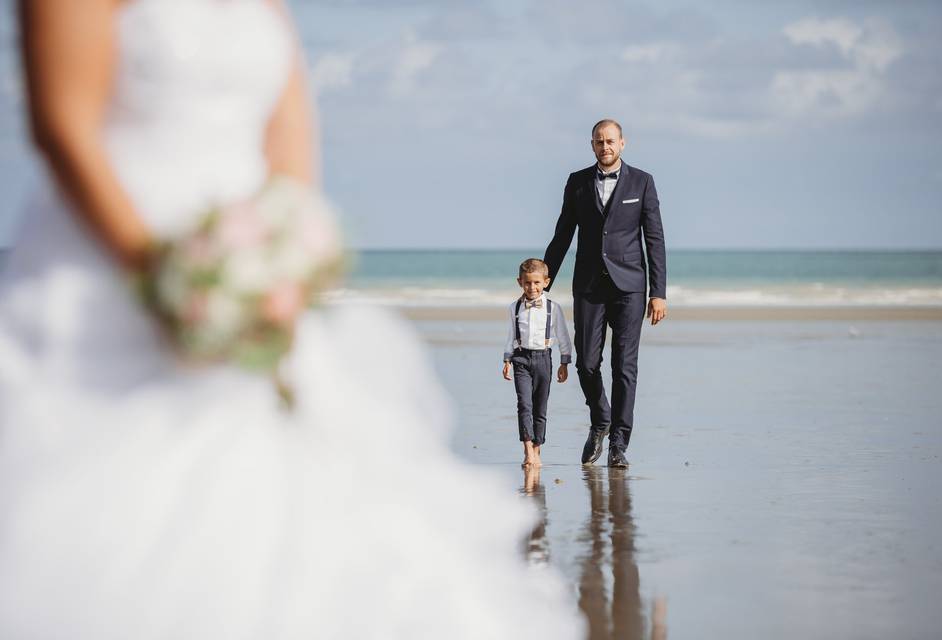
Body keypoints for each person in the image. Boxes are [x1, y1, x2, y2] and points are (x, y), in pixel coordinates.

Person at [0, 2, 582, 638]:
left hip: (255, 272)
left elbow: (289, 145)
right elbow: (63, 125)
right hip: (109, 274)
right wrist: (173, 280)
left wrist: (281, 260)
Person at [544, 119, 667, 468]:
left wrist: (658, 292)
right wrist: (542, 282)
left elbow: (654, 239)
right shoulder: (577, 182)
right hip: (588, 286)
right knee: (586, 362)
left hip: (630, 286)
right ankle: (601, 418)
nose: (605, 147)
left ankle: (618, 445)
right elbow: (563, 233)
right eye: (599, 142)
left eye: (610, 141)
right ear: (592, 145)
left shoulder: (643, 182)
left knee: (624, 366)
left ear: (623, 143)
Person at [501, 259, 572, 467]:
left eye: (536, 283)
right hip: (520, 359)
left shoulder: (553, 308)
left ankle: (537, 448)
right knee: (524, 405)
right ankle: (528, 450)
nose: (532, 287)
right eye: (527, 283)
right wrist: (507, 359)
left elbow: (563, 336)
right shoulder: (514, 308)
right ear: (520, 282)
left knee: (540, 408)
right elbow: (510, 336)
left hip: (544, 359)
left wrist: (564, 362)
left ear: (546, 282)